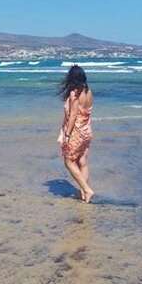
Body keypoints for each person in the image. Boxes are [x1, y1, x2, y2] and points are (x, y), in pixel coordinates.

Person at [58, 65, 95, 203]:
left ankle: (87, 190)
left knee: (68, 161)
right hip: (87, 131)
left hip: (76, 132)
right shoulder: (88, 91)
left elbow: (73, 116)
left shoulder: (75, 94)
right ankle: (83, 194)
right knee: (82, 161)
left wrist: (66, 135)